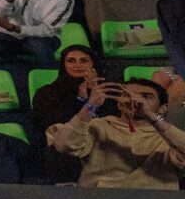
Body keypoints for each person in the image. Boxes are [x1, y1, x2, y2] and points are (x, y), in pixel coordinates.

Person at [46, 78, 185, 189]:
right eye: (127, 95)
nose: (135, 100)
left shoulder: (170, 136)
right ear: (119, 103)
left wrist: (149, 114)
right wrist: (90, 105)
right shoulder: (98, 125)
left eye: (146, 96)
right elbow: (64, 145)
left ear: (162, 109)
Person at [30, 45, 101, 184]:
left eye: (84, 60)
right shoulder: (46, 92)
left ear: (93, 64)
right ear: (63, 64)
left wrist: (95, 95)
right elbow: (49, 123)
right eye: (71, 61)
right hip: (64, 144)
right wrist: (81, 100)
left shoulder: (106, 90)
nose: (77, 65)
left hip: (101, 140)